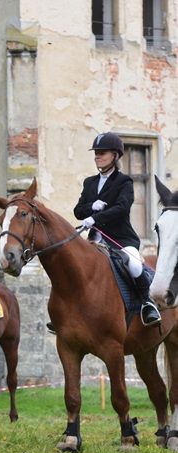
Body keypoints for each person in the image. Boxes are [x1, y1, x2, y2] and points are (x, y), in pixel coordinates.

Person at [74, 131, 160, 327]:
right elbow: (78, 210)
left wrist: (94, 218)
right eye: (96, 152)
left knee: (135, 264)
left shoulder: (124, 182)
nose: (97, 156)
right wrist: (91, 206)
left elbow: (122, 209)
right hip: (95, 240)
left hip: (121, 240)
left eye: (102, 152)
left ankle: (147, 304)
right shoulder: (90, 183)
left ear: (115, 155)